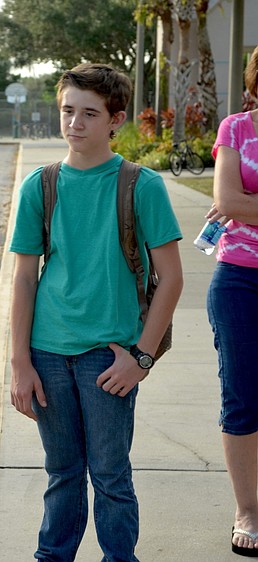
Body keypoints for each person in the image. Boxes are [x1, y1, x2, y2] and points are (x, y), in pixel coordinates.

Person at [8, 63, 183, 561]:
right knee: (62, 472)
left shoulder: (141, 185)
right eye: (67, 111)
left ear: (115, 120)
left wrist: (141, 358)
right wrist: (19, 362)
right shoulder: (40, 186)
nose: (74, 123)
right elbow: (24, 279)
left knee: (110, 475)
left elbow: (171, 278)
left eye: (89, 113)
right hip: (46, 353)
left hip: (108, 358)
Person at [206, 45, 258, 558]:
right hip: (240, 279)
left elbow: (244, 204)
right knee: (242, 395)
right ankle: (248, 509)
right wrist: (241, 205)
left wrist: (250, 206)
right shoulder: (236, 129)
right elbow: (226, 201)